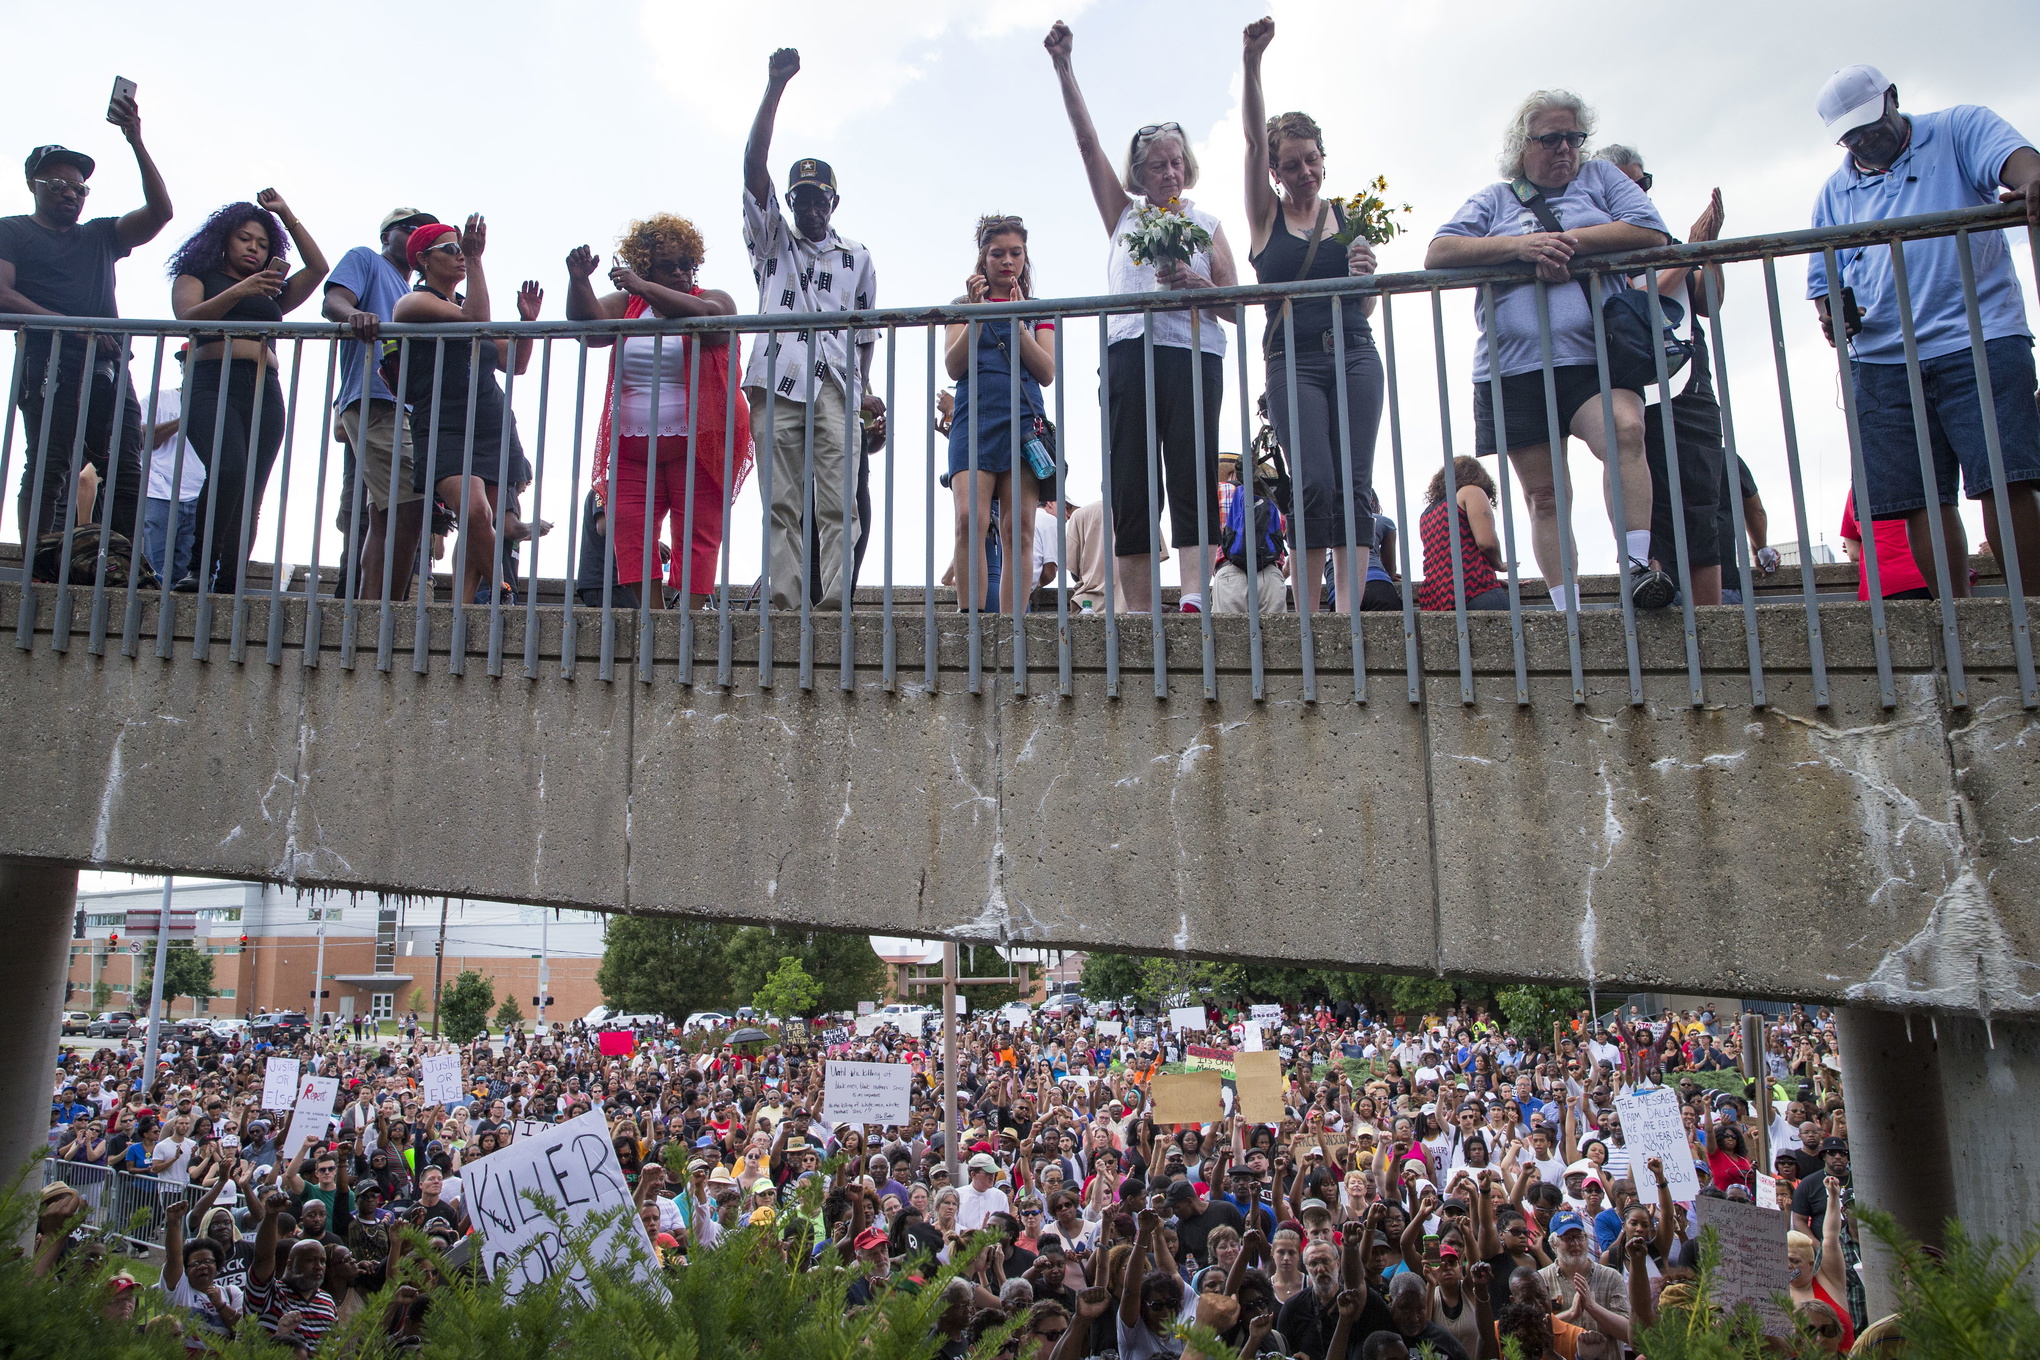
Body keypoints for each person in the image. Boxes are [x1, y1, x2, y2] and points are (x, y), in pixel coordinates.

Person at [1425, 90, 1674, 614]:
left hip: (1594, 358)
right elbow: (1439, 252)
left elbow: (1653, 232)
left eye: (1573, 138)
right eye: (1550, 139)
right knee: (1544, 494)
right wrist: (1521, 247)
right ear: (1523, 147)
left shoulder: (1601, 181)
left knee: (1626, 430)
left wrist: (1571, 244)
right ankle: (1568, 610)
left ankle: (1634, 566)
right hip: (1514, 367)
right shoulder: (1493, 200)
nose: (1565, 149)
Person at [1807, 64, 2040, 598]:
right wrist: (1832, 313)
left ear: (1893, 98)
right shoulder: (1835, 190)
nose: (1863, 139)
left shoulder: (1960, 127)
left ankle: (2034, 617)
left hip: (1978, 336)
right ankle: (1956, 623)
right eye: (1850, 134)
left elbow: (2020, 164)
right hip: (1884, 356)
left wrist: (2031, 181)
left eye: (1870, 124)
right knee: (1919, 499)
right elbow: (1825, 279)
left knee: (2005, 483)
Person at [1045, 19, 1235, 614]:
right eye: (1157, 165)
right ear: (1139, 173)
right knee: (1130, 483)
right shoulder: (1123, 217)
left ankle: (1196, 596)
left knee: (1193, 472)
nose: (1169, 173)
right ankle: (1140, 609)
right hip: (1129, 352)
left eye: (1177, 162)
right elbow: (1085, 146)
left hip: (1194, 352)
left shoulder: (1205, 224)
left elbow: (1236, 303)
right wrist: (1064, 66)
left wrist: (1197, 285)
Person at [1241, 16, 1383, 615]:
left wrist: (1365, 277)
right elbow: (1251, 140)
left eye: (1310, 161)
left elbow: (1366, 303)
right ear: (1275, 171)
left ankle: (1347, 613)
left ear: (1324, 159)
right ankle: (1307, 612)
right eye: (1291, 164)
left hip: (1353, 350)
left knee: (1353, 483)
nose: (1303, 172)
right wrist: (1252, 64)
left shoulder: (1349, 217)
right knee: (1315, 482)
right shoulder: (1266, 217)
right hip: (1293, 362)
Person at [741, 48, 883, 612]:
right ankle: (783, 604)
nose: (808, 206)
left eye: (818, 197)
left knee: (838, 503)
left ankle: (832, 609)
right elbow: (753, 170)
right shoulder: (773, 239)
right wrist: (774, 88)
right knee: (780, 501)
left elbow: (867, 333)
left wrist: (867, 391)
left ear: (834, 200)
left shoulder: (859, 256)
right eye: (799, 197)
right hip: (778, 377)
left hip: (839, 388)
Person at [1, 102, 172, 558]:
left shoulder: (99, 235)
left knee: (126, 469)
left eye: (79, 187)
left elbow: (160, 213)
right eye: (57, 184)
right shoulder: (12, 231)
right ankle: (40, 565)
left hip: (109, 366)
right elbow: (1, 292)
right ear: (32, 186)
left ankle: (116, 564)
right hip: (49, 362)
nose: (71, 193)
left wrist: (136, 140)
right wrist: (71, 327)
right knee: (51, 464)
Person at [568, 215, 751, 611]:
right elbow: (588, 325)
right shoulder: (629, 306)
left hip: (697, 445)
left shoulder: (712, 297)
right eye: (670, 265)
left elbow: (712, 321)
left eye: (688, 264)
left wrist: (643, 285)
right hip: (634, 445)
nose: (683, 272)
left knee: (699, 533)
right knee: (629, 526)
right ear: (647, 263)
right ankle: (654, 621)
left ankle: (688, 617)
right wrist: (579, 281)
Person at [167, 192, 329, 593]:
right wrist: (241, 290)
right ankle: (199, 568)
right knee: (228, 468)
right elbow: (188, 318)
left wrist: (287, 215)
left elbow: (318, 268)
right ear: (223, 239)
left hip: (263, 390)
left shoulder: (270, 292)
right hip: (211, 383)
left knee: (251, 490)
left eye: (263, 243)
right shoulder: (196, 277)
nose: (254, 249)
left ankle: (230, 580)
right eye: (245, 239)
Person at [1596, 143, 1731, 606]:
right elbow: (1637, 294)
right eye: (1626, 181)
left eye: (1643, 181)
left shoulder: (1664, 238)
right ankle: (1651, 591)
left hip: (1690, 381)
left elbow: (1708, 302)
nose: (1638, 190)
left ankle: (1710, 621)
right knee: (1651, 505)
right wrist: (1689, 251)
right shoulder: (1599, 234)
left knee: (1701, 501)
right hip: (1634, 383)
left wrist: (1707, 251)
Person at [389, 216, 542, 608]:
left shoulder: (468, 305)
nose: (460, 256)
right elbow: (474, 323)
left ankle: (462, 610)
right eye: (450, 249)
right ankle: (505, 591)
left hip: (491, 422)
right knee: (475, 513)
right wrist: (476, 260)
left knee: (484, 523)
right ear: (423, 259)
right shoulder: (414, 302)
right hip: (444, 422)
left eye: (463, 248)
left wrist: (527, 323)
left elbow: (515, 365)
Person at [324, 207, 437, 603]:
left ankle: (372, 609)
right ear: (387, 235)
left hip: (404, 407)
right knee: (409, 507)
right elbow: (334, 300)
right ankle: (384, 612)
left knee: (385, 514)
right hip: (377, 399)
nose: (419, 235)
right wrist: (356, 317)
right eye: (411, 229)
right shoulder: (366, 259)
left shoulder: (414, 293)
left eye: (428, 233)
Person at [945, 216, 1057, 615]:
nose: (1007, 261)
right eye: (998, 253)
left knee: (1019, 528)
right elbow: (953, 367)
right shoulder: (961, 307)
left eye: (1016, 253)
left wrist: (1018, 319)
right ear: (983, 258)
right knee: (967, 518)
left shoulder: (1038, 310)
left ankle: (1015, 627)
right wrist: (976, 315)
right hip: (973, 415)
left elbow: (1046, 371)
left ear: (1025, 257)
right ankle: (968, 622)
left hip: (1024, 421)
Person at [141, 348, 203, 589]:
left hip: (201, 497)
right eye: (187, 361)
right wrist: (186, 416)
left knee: (188, 582)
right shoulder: (158, 398)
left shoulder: (221, 404)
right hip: (158, 494)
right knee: (151, 574)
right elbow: (142, 437)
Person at [1417, 457, 1506, 611]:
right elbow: (1487, 543)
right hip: (1475, 590)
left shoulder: (1427, 513)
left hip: (1437, 599)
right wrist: (1498, 564)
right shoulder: (1470, 491)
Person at [1786, 1178, 1854, 1352]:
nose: (1788, 1266)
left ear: (1810, 1264)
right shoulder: (1774, 1296)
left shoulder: (1829, 1281)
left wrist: (1833, 1196)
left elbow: (1830, 1238)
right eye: (1783, 1261)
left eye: (1794, 1261)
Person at [1840, 491, 1933, 598]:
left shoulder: (1857, 490)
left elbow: (1853, 553)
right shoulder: (1914, 481)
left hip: (1883, 583)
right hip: (1930, 575)